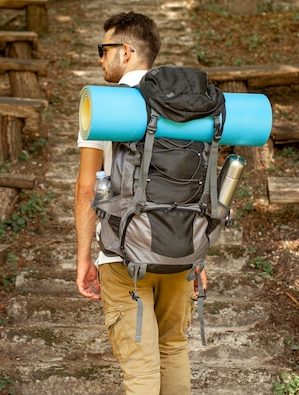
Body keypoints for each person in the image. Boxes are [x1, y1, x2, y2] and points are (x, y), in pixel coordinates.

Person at [74, 11, 205, 395]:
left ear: (126, 52)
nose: (100, 58)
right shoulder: (190, 106)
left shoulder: (104, 106)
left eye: (105, 49)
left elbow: (87, 189)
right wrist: (199, 254)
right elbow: (198, 185)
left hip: (121, 254)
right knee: (174, 348)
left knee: (141, 369)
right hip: (181, 250)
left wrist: (85, 257)